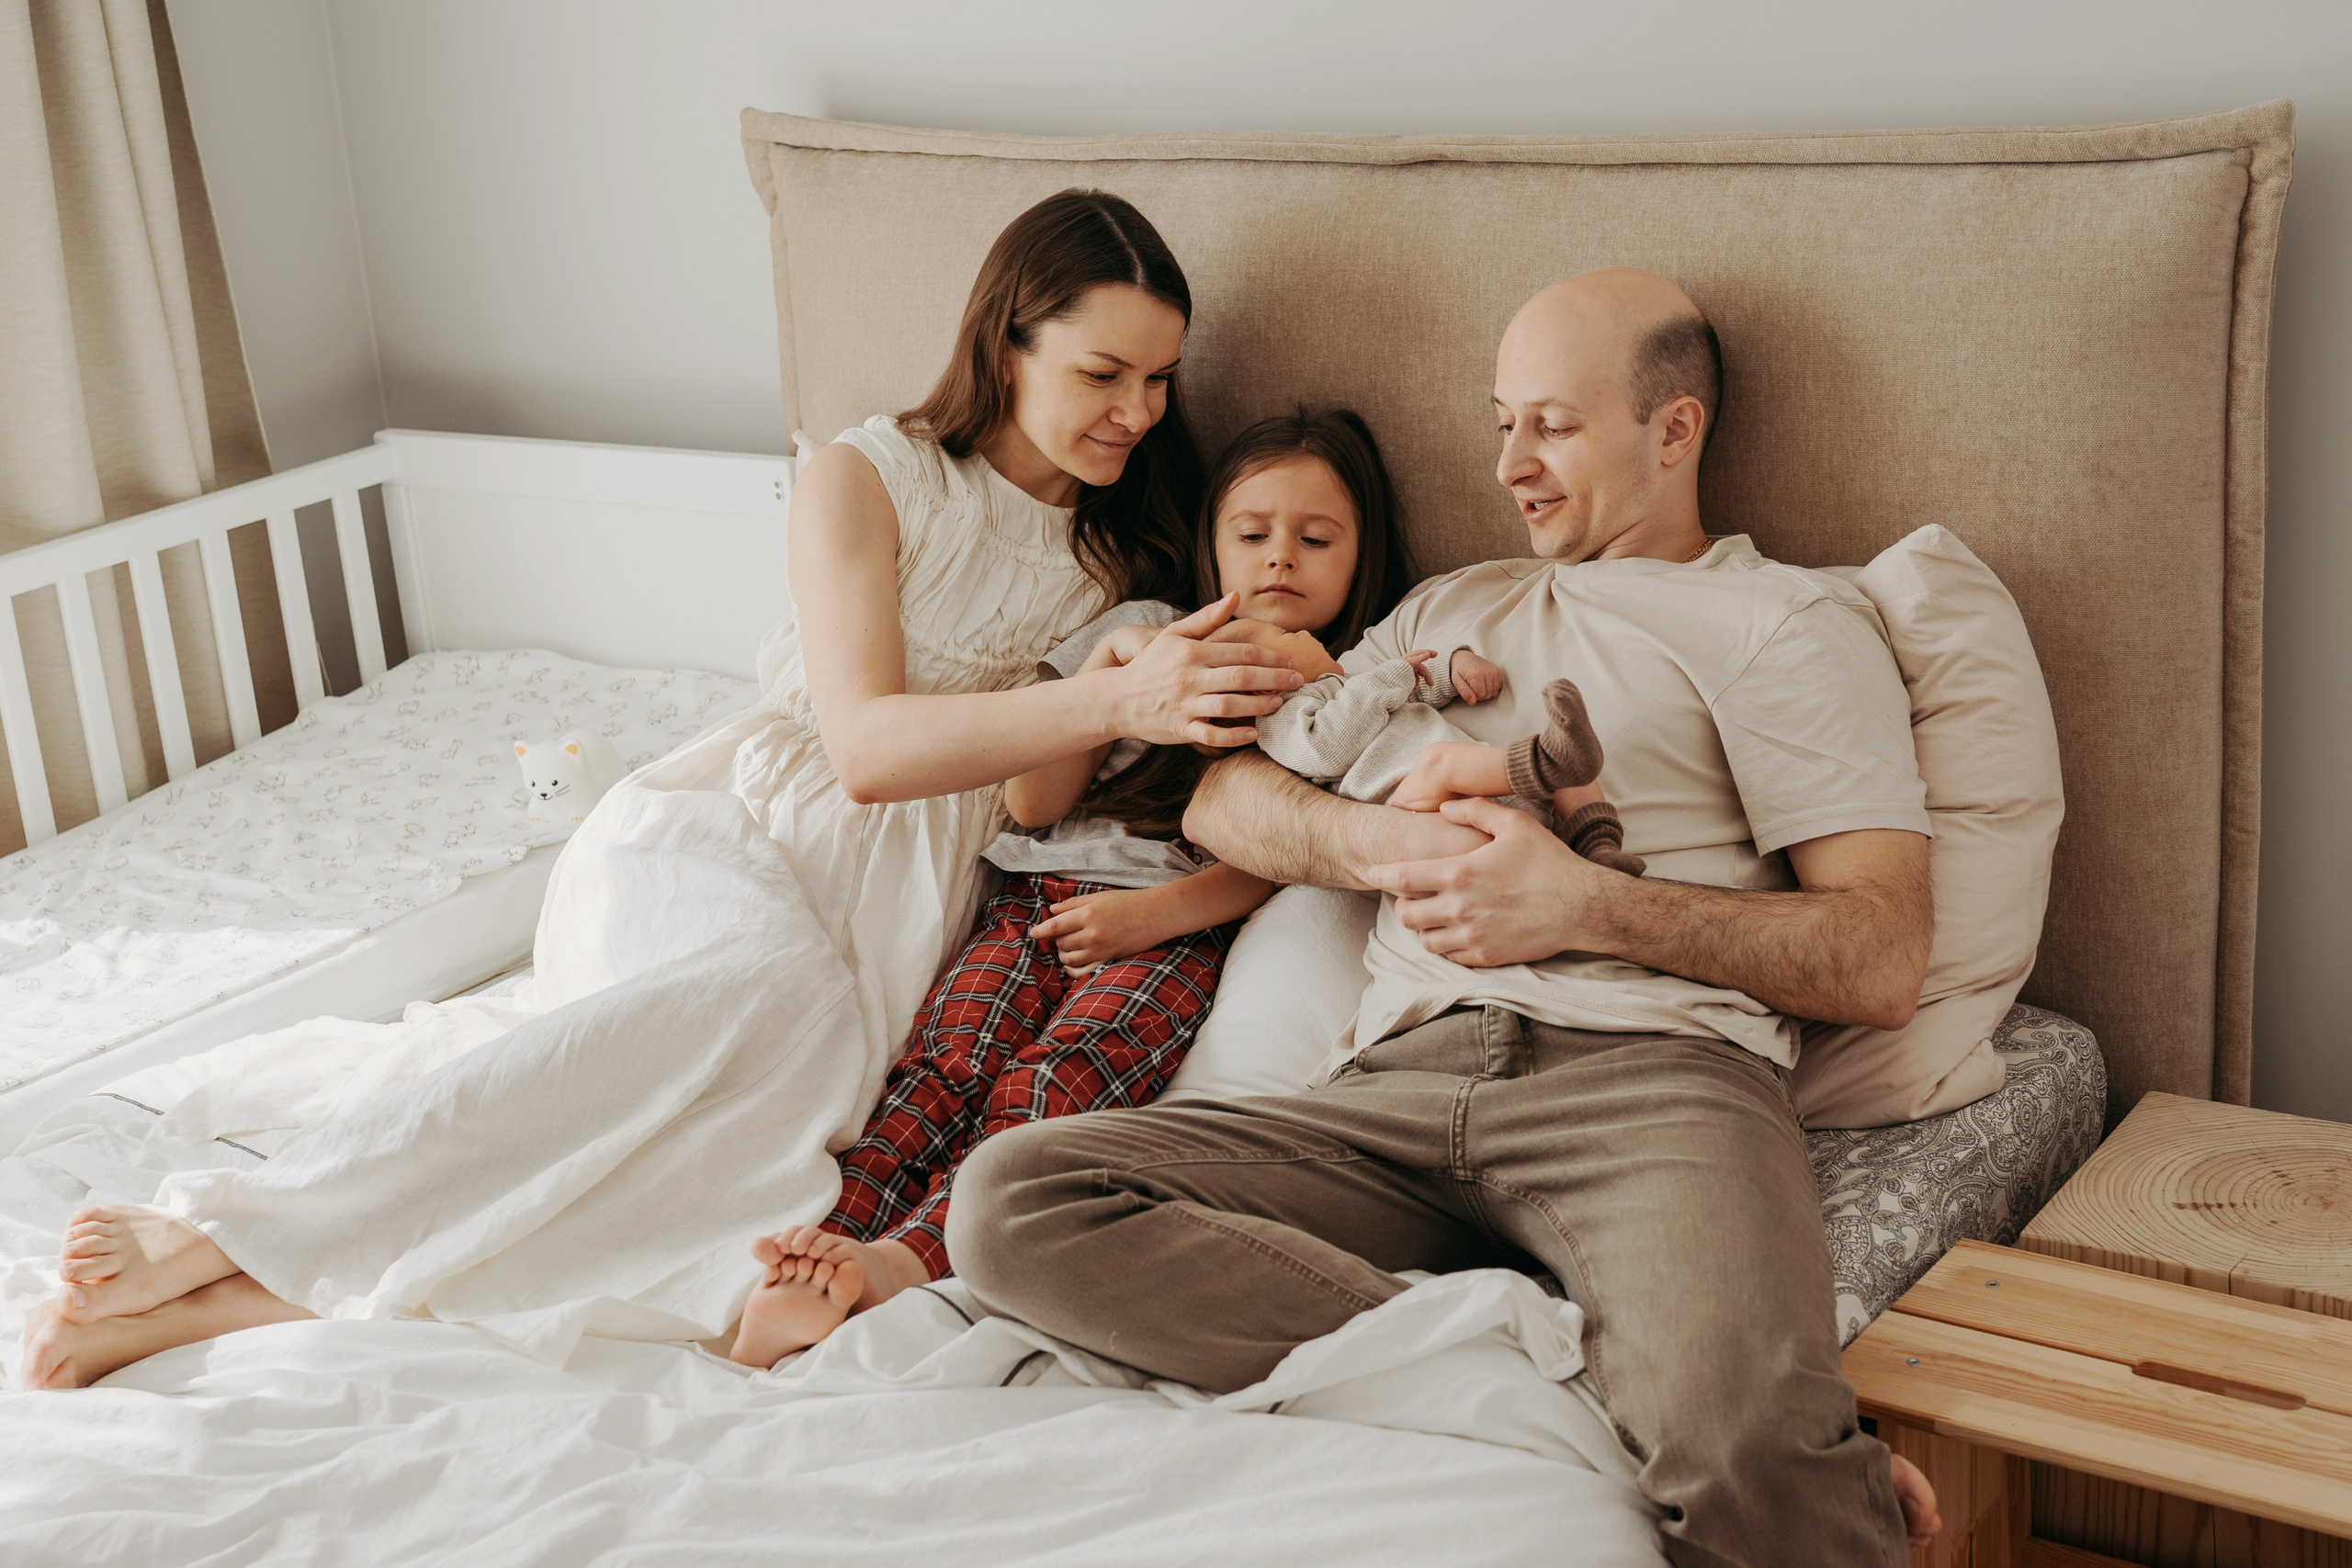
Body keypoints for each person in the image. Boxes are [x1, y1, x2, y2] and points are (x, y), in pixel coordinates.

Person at [21, 189, 1310, 1391]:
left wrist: (1132, 667)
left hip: (913, 895)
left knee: (741, 1182)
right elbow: (861, 745)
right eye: (1103, 373)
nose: (1137, 411)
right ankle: (219, 1225)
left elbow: (1028, 805)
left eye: (1158, 378)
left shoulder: (1120, 546)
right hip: (733, 831)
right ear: (1008, 342)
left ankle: (225, 1305)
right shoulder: (867, 475)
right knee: (758, 996)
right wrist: (1105, 697)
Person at [945, 269, 1944, 1566]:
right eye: (1500, 422)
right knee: (1016, 1199)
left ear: (1675, 428)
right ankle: (1574, 1388)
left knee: (1752, 1457)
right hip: (1393, 1083)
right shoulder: (1446, 609)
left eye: (1553, 425)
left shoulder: (1785, 623)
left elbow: (1880, 955)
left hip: (1651, 1083)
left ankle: (1695, 1402)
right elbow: (1228, 803)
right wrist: (1381, 841)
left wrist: (1584, 899)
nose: (1510, 465)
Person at [729, 407, 1423, 1365]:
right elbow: (1032, 799)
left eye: (1316, 539)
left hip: (1172, 931)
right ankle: (826, 1248)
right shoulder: (1143, 627)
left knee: (1058, 1081)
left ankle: (907, 1260)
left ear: (1364, 552)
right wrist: (1107, 678)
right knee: (945, 1066)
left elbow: (1296, 852)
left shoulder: (1346, 687)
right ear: (1211, 539)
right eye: (1251, 535)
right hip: (1033, 896)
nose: (1279, 562)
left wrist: (1156, 915)